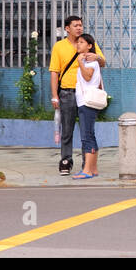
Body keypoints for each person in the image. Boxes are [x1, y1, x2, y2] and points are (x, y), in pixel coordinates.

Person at [49, 15, 107, 175]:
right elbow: (54, 72)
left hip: (86, 94)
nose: (79, 28)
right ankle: (66, 161)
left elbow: (102, 62)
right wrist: (55, 95)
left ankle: (86, 164)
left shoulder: (88, 44)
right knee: (66, 129)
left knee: (86, 130)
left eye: (81, 25)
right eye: (76, 25)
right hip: (67, 92)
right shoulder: (59, 47)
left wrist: (98, 57)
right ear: (67, 28)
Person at [72, 33, 103, 179]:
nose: (78, 44)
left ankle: (87, 170)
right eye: (78, 42)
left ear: (89, 46)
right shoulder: (88, 60)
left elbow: (88, 77)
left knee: (86, 136)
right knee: (90, 134)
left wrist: (80, 63)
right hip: (84, 102)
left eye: (82, 42)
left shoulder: (90, 61)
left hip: (87, 102)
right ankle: (93, 169)